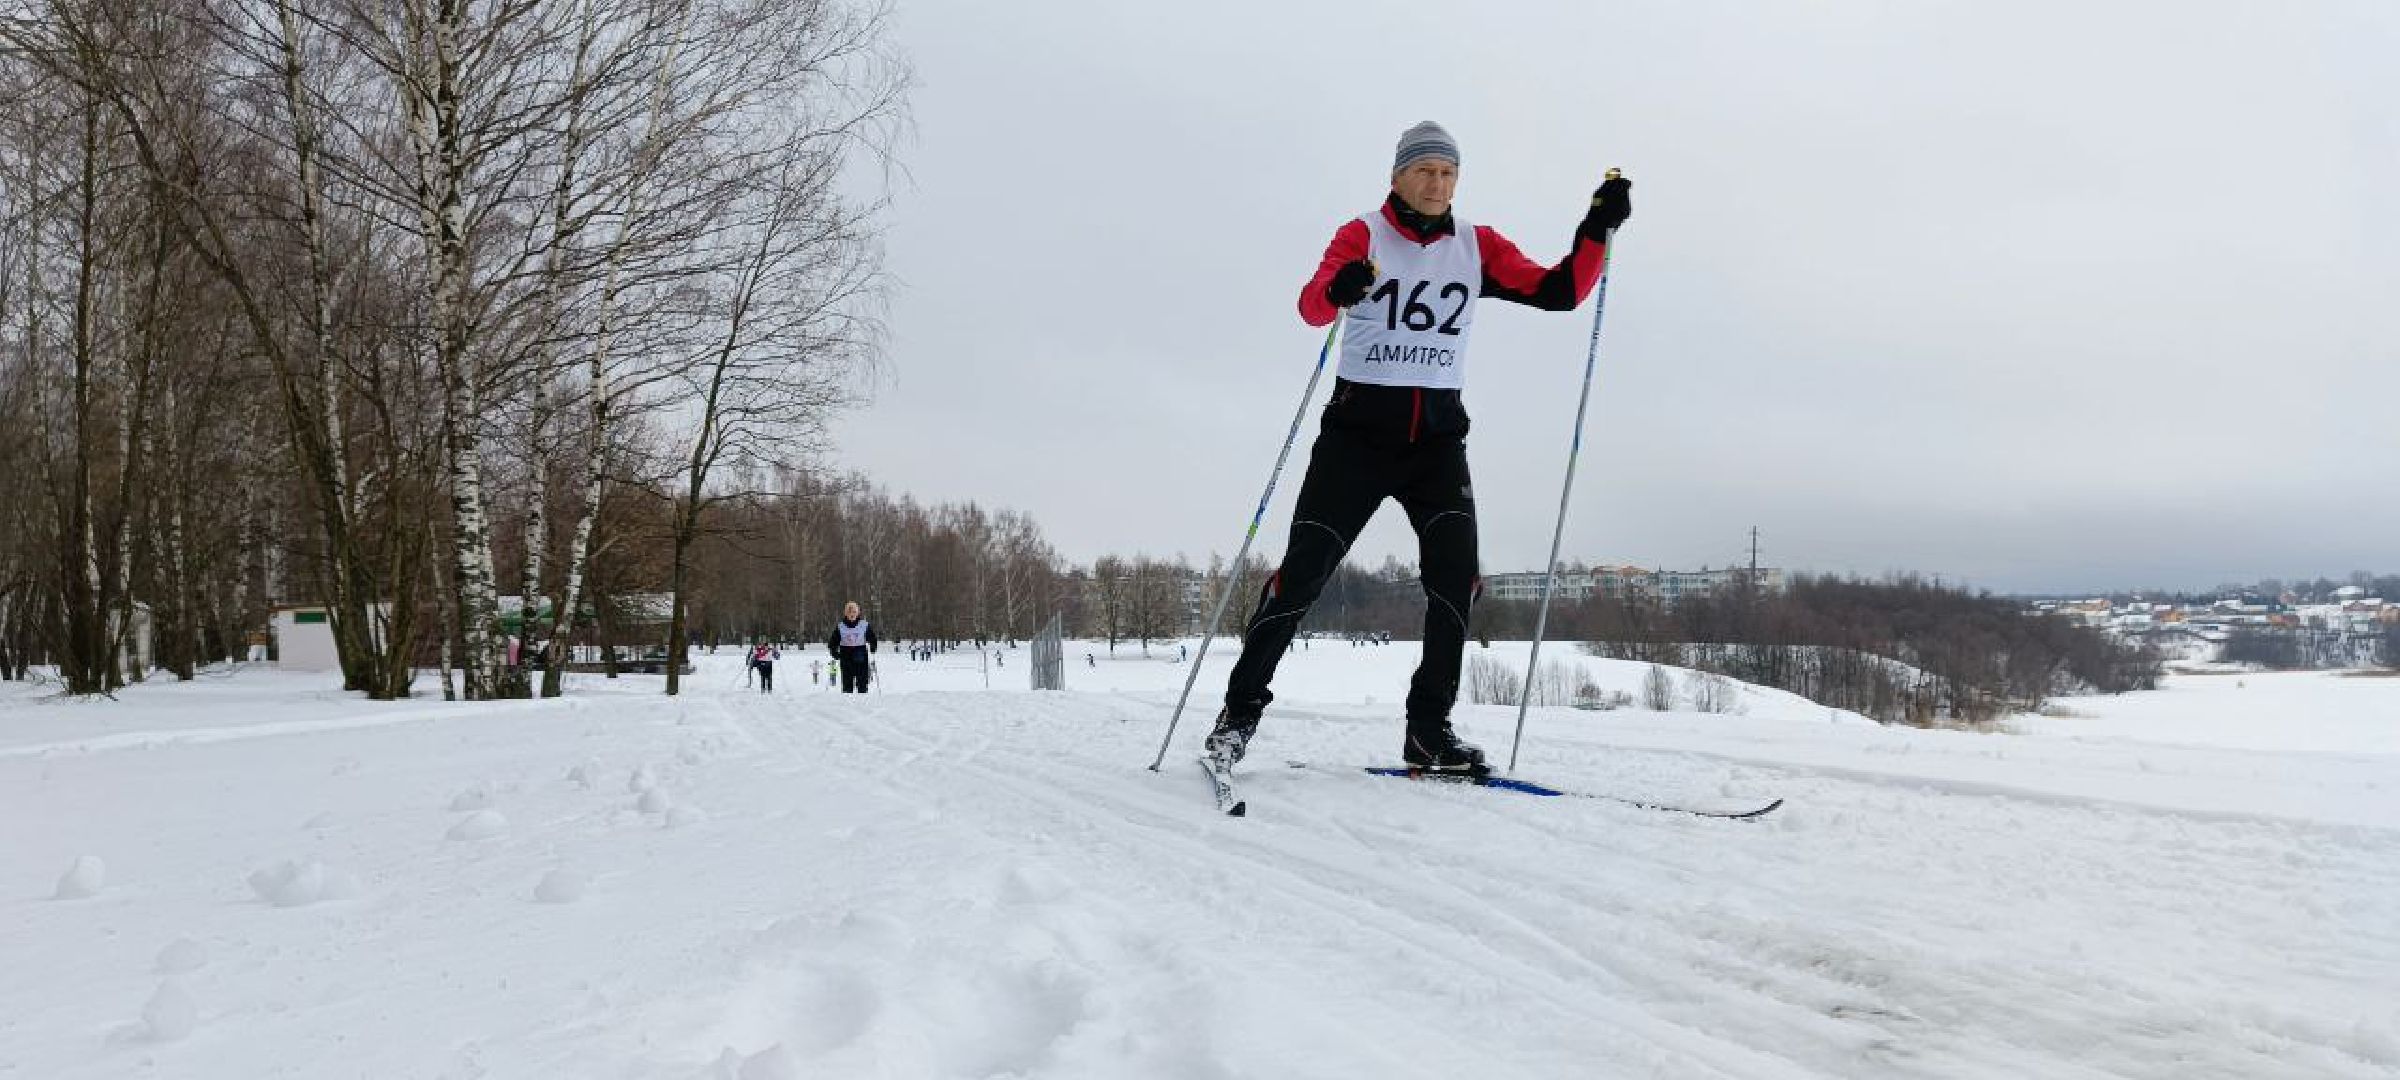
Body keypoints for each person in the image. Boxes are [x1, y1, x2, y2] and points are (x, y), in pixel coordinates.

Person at [1204, 121, 1629, 774]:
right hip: (1356, 439)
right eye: (1425, 170)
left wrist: (1596, 229)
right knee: (1300, 580)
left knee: (1455, 583)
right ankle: (1236, 721)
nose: (1437, 183)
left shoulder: (1474, 245)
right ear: (1398, 176)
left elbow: (1560, 291)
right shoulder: (1363, 234)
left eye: (1448, 172)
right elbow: (1312, 307)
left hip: (1435, 442)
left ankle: (1428, 732)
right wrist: (1341, 287)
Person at [828, 600, 877, 693]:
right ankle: (847, 702)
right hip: (846, 654)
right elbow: (833, 641)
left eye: (854, 612)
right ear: (846, 613)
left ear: (858, 613)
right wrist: (834, 651)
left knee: (862, 681)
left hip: (860, 653)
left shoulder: (864, 625)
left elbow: (872, 637)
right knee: (847, 682)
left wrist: (873, 646)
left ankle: (862, 699)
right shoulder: (841, 626)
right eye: (849, 612)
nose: (852, 614)